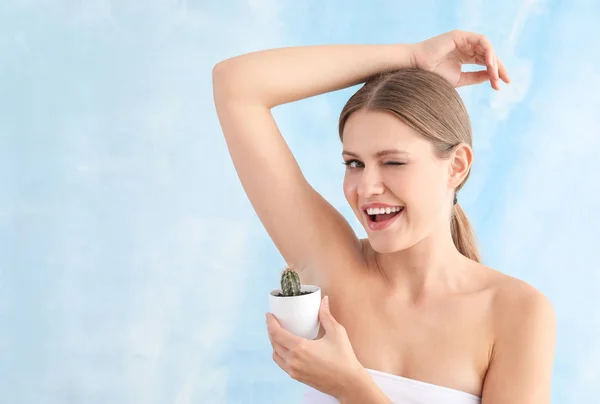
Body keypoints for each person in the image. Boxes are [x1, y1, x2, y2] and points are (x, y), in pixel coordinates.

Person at [212, 29, 556, 404]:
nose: (366, 187)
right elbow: (236, 85)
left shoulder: (516, 312)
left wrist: (353, 388)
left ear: (456, 166)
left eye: (393, 162)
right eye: (354, 163)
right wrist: (410, 57)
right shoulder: (335, 267)